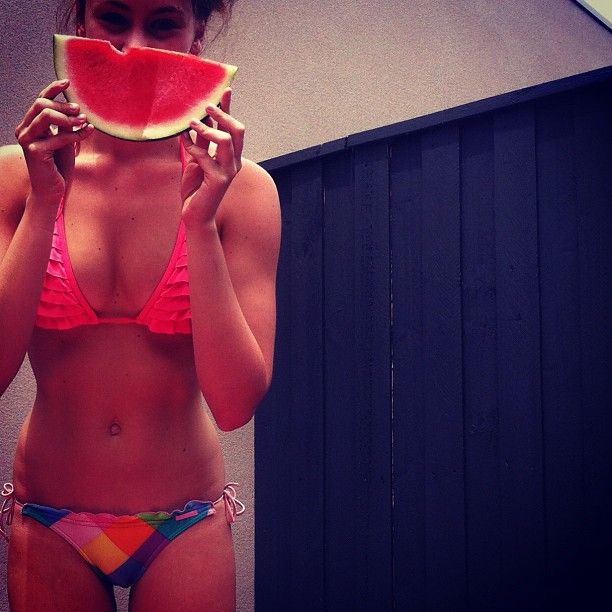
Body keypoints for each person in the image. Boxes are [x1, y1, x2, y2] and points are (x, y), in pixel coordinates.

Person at [0, 0, 281, 609]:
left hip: (185, 520)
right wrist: (46, 202)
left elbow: (235, 404)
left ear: (196, 38)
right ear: (79, 24)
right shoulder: (13, 177)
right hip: (49, 516)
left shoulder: (245, 192)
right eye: (112, 18)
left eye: (163, 23)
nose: (134, 46)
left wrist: (199, 223)